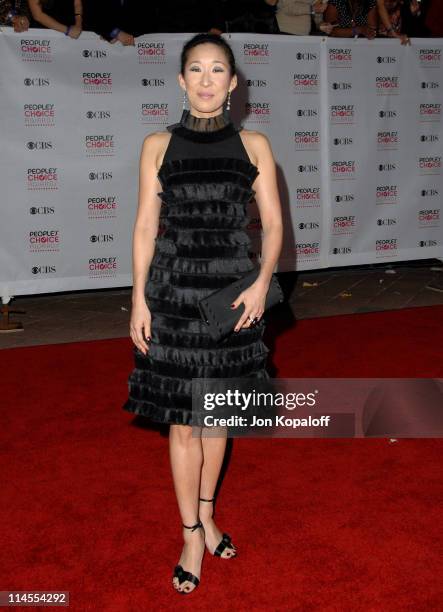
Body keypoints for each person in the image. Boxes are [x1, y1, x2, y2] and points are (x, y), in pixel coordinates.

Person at [123, 32, 283, 594]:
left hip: (233, 298)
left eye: (219, 70)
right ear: (181, 79)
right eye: (197, 69)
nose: (208, 79)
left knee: (217, 418)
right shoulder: (156, 145)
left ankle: (208, 512)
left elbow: (274, 224)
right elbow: (145, 226)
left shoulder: (256, 144)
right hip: (173, 297)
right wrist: (139, 296)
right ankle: (191, 531)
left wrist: (263, 282)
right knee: (183, 422)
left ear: (234, 83)